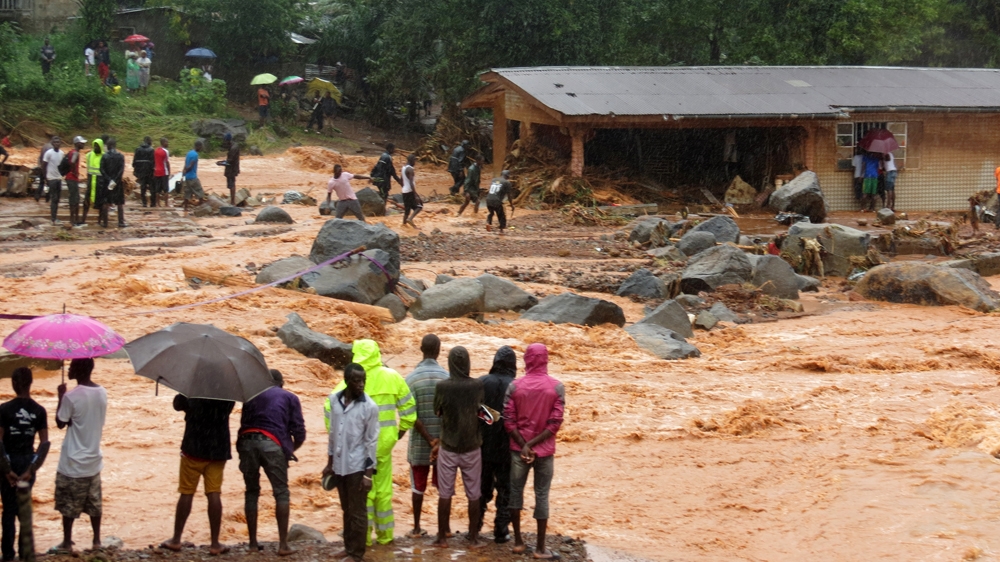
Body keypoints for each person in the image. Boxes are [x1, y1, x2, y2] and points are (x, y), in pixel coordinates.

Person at [324, 340, 415, 546]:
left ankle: (363, 539)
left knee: (361, 494)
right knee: (383, 491)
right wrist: (398, 433)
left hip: (357, 451)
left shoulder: (346, 383)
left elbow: (329, 412)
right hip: (384, 445)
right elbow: (409, 409)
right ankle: (385, 536)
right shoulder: (392, 377)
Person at [503, 343, 564, 559]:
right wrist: (535, 444)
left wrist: (524, 444)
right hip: (545, 451)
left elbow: (508, 420)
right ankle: (540, 548)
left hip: (518, 450)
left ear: (527, 360)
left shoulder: (514, 386)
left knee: (515, 492)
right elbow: (555, 423)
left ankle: (518, 542)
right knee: (542, 495)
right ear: (546, 359)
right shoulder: (556, 387)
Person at [237, 369, 305, 556]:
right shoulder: (289, 397)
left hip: (246, 441)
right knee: (281, 492)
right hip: (272, 444)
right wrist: (289, 450)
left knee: (251, 491)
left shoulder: (250, 396)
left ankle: (252, 543)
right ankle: (283, 545)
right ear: (281, 383)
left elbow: (244, 423)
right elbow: (299, 432)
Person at [159, 395, 234, 555]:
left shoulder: (193, 390)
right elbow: (226, 412)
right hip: (217, 449)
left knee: (186, 492)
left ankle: (176, 539)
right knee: (214, 493)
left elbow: (177, 405)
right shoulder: (228, 392)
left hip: (193, 446)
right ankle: (215, 543)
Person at [430, 346, 486, 549]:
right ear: (468, 363)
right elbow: (484, 413)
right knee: (474, 494)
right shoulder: (477, 385)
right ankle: (472, 539)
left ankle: (442, 538)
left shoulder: (442, 386)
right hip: (472, 447)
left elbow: (437, 410)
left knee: (445, 493)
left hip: (449, 446)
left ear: (451, 364)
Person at [323, 364, 378, 562]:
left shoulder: (369, 407)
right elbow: (332, 434)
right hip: (339, 465)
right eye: (357, 380)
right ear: (346, 381)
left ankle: (357, 554)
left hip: (357, 466)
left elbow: (371, 442)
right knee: (346, 509)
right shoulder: (334, 401)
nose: (361, 384)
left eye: (363, 380)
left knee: (358, 512)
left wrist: (367, 475)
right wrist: (329, 463)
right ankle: (348, 548)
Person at [53, 358, 108, 554]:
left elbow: (61, 422)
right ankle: (97, 540)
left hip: (73, 460)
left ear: (78, 370)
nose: (68, 369)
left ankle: (67, 542)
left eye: (71, 366)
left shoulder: (71, 396)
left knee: (68, 504)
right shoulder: (102, 392)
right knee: (94, 503)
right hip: (93, 458)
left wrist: (61, 396)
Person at [0, 368, 49, 562]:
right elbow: (44, 444)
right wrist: (31, 470)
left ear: (13, 384)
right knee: (24, 509)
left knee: (9, 509)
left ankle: (7, 554)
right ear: (31, 383)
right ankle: (26, 553)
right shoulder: (39, 410)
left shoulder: (3, 409)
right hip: (28, 461)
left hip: (8, 461)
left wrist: (7, 470)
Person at [403, 334, 449, 538]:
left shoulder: (410, 379)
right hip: (444, 443)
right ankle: (445, 528)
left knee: (417, 486)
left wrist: (429, 439)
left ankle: (416, 527)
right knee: (444, 487)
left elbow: (409, 415)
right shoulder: (447, 378)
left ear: (421, 349)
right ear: (439, 350)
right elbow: (450, 413)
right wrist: (438, 440)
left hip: (420, 444)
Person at [478, 346, 516, 543]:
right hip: (508, 446)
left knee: (481, 489)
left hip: (484, 445)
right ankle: (501, 530)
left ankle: (475, 527)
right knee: (505, 489)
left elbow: (475, 412)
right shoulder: (516, 385)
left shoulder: (482, 382)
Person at [97, 137, 126, 228]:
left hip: (107, 182)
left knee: (106, 201)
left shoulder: (104, 156)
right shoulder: (120, 156)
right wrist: (115, 180)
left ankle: (105, 222)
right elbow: (121, 170)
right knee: (119, 202)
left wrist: (109, 179)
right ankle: (121, 221)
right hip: (117, 183)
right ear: (115, 145)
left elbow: (101, 169)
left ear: (109, 146)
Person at [370, 143, 402, 210]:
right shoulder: (387, 157)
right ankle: (381, 211)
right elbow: (391, 170)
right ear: (390, 149)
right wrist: (399, 181)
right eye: (393, 149)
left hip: (378, 178)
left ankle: (381, 209)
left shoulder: (383, 155)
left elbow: (377, 166)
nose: (394, 150)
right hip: (382, 180)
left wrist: (372, 176)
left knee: (383, 194)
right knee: (384, 195)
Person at [41, 137, 64, 224]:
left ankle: (55, 217)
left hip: (59, 178)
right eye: (55, 142)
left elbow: (62, 165)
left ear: (60, 143)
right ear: (52, 143)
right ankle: (53, 218)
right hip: (51, 178)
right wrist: (45, 178)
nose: (57, 144)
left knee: (57, 198)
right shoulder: (48, 153)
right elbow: (44, 165)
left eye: (58, 142)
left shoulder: (62, 153)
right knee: (54, 198)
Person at [65, 136, 86, 227]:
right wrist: (74, 172)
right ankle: (73, 220)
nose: (83, 144)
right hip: (72, 178)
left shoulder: (71, 152)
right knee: (74, 199)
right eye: (82, 143)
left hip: (70, 178)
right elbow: (72, 162)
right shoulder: (76, 153)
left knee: (74, 198)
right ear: (77, 144)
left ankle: (75, 219)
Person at [83, 138, 104, 225]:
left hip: (100, 181)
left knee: (101, 202)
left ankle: (99, 221)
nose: (95, 148)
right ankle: (83, 219)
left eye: (97, 146)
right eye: (94, 146)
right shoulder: (89, 155)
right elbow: (88, 168)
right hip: (91, 181)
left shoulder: (104, 156)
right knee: (86, 201)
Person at [486, 170, 514, 235]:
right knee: (501, 215)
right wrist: (512, 205)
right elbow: (509, 195)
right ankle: (501, 229)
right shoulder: (507, 182)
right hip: (497, 201)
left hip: (488, 200)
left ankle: (488, 223)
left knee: (491, 213)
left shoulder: (494, 180)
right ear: (507, 176)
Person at [182, 140, 205, 212]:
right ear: (198, 146)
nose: (201, 148)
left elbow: (185, 164)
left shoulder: (188, 153)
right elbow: (191, 166)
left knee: (187, 193)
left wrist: (184, 173)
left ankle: (185, 208)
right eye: (201, 147)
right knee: (200, 191)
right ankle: (202, 208)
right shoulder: (195, 155)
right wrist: (187, 170)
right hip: (193, 177)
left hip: (187, 177)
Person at [401, 154, 423, 228]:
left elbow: (401, 180)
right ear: (411, 160)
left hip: (404, 191)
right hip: (410, 192)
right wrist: (415, 195)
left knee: (407, 211)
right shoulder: (410, 169)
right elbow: (411, 183)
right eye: (414, 160)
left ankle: (403, 226)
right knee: (419, 206)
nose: (415, 162)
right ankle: (410, 219)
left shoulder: (403, 168)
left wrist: (404, 187)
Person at [133, 137, 155, 207]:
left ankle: (144, 203)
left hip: (141, 172)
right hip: (149, 172)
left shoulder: (138, 149)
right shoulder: (151, 150)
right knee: (152, 187)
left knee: (143, 187)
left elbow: (134, 162)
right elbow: (153, 162)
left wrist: (137, 170)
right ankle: (152, 203)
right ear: (149, 142)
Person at [34, 137, 53, 203]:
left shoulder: (44, 146)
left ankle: (37, 196)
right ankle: (47, 197)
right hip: (48, 168)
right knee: (48, 183)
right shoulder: (51, 148)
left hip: (42, 167)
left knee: (41, 182)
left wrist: (39, 165)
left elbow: (40, 157)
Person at [153, 138, 171, 208]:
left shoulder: (156, 150)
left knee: (157, 189)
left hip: (157, 172)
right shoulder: (165, 151)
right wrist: (169, 171)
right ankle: (166, 204)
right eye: (167, 142)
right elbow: (167, 162)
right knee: (166, 188)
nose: (167, 143)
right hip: (164, 172)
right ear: (163, 143)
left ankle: (158, 204)